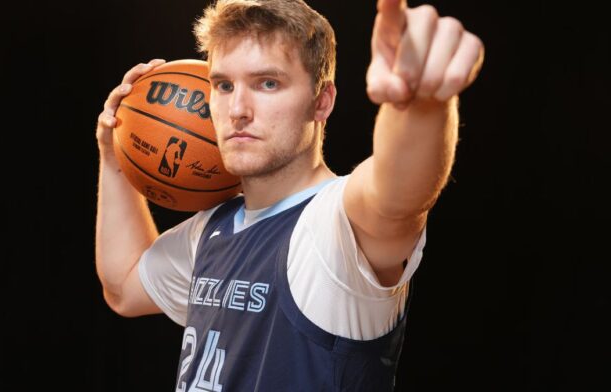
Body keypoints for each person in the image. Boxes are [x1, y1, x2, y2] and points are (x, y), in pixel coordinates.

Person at [95, 0, 483, 390]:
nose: (238, 110)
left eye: (268, 83)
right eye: (224, 85)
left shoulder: (334, 224)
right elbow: (123, 287)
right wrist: (114, 154)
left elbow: (399, 194)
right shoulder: (213, 228)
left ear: (322, 101)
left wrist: (420, 103)